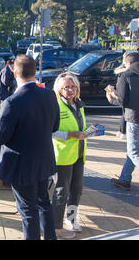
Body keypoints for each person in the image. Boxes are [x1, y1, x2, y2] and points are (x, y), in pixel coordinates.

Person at [0, 54, 60, 240]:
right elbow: (55, 126)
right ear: (35, 71)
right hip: (43, 160)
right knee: (44, 204)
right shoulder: (49, 95)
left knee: (28, 211)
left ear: (15, 73)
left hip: (21, 165)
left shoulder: (11, 102)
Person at [51, 73, 88, 239]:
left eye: (73, 87)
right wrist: (72, 135)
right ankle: (55, 226)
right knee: (61, 192)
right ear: (59, 89)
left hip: (79, 154)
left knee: (77, 189)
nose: (71, 90)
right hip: (63, 157)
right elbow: (51, 131)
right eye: (67, 87)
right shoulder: (56, 105)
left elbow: (81, 127)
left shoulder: (79, 105)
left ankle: (71, 219)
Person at [106, 52, 139, 190]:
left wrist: (111, 96)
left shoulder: (126, 76)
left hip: (134, 120)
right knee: (133, 150)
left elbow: (122, 101)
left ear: (128, 63)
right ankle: (124, 179)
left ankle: (126, 179)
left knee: (134, 152)